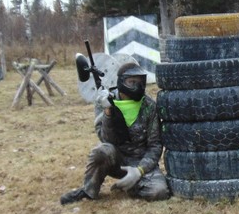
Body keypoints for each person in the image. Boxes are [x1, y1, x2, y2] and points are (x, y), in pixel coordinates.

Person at [60, 62, 170, 204]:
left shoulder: (149, 106)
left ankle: (131, 184)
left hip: (139, 161)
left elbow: (155, 145)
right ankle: (89, 191)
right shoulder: (105, 100)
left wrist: (139, 171)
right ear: (121, 82)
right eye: (132, 82)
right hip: (115, 159)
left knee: (159, 192)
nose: (138, 86)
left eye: (141, 82)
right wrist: (108, 112)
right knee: (102, 151)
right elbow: (105, 138)